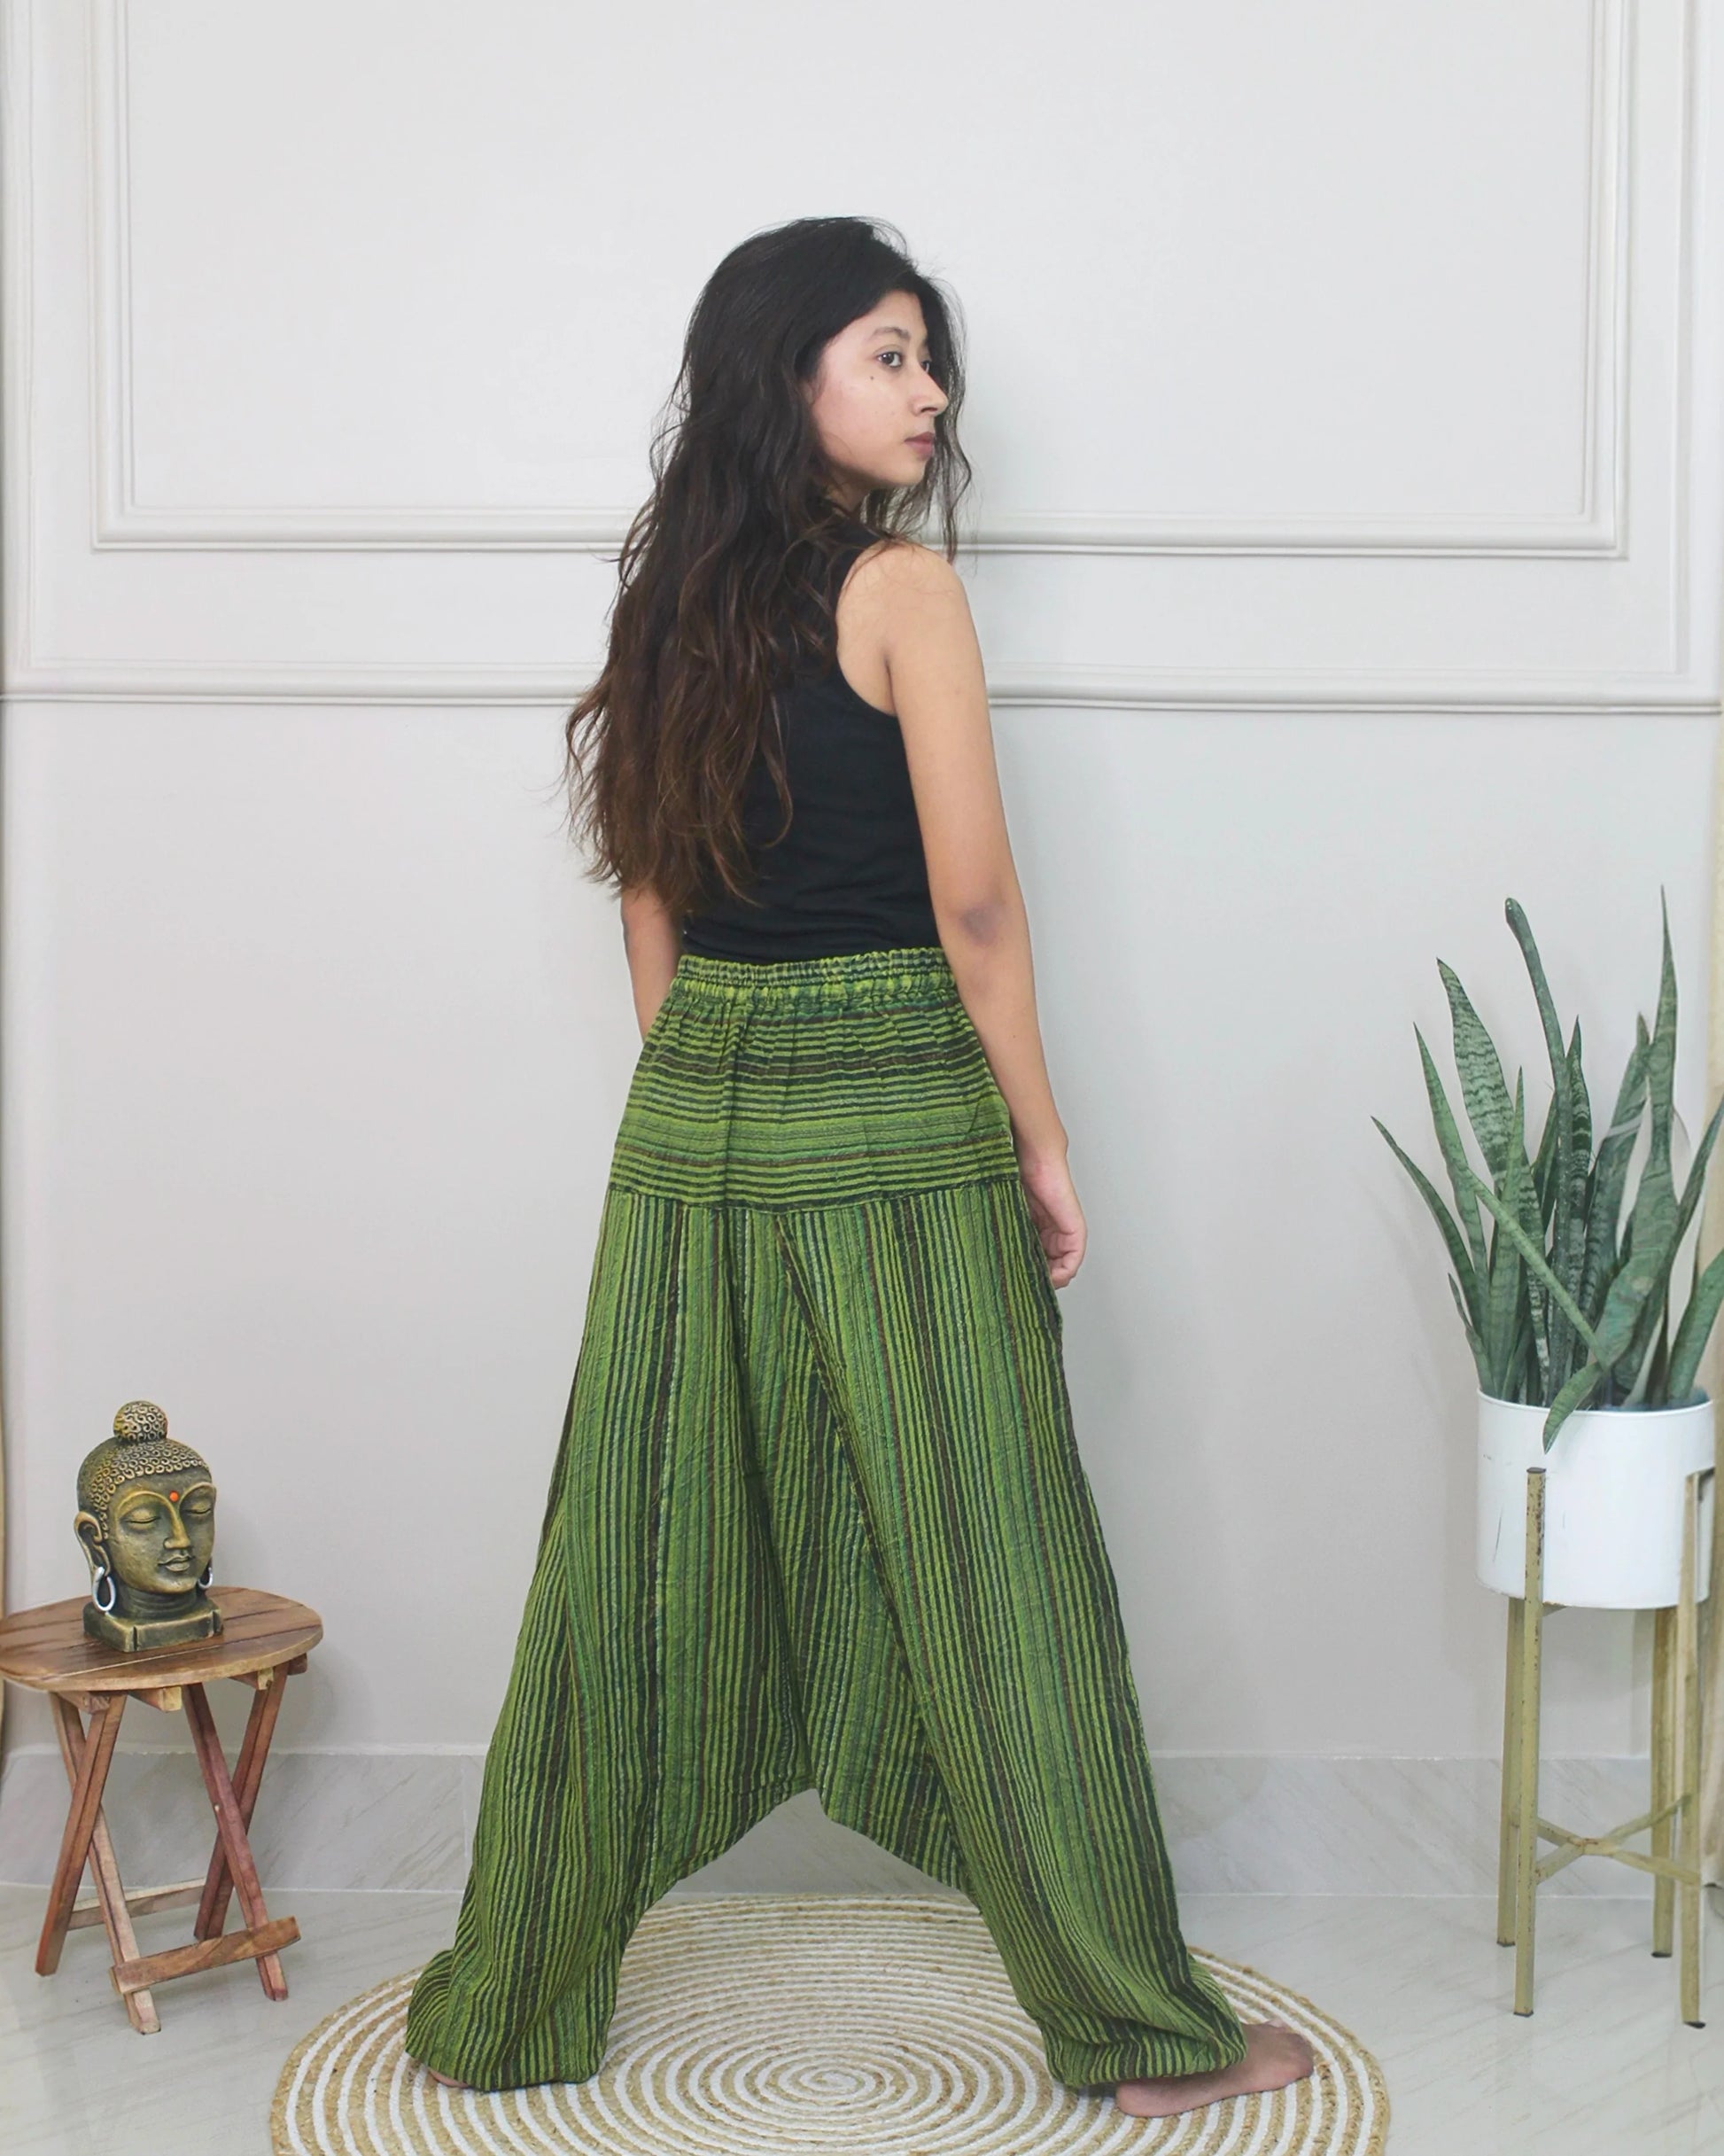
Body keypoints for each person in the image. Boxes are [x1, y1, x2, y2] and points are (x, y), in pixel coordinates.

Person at [403, 214, 1316, 2123]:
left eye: (930, 357)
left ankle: (509, 2002)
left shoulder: (663, 601)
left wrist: (709, 1095)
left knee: (631, 1553)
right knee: (995, 1547)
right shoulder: (903, 591)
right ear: (788, 372)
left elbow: (645, 899)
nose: (932, 391)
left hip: (698, 1109)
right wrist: (1042, 1141)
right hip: (898, 1086)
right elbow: (972, 903)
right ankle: (1139, 2031)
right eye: (890, 353)